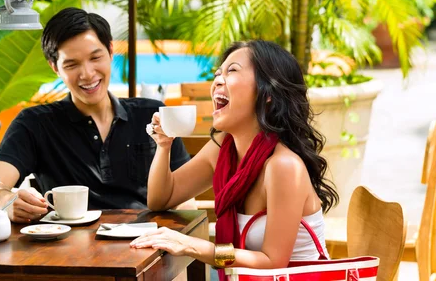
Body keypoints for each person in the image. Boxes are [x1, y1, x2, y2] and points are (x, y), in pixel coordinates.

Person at [130, 40, 338, 275]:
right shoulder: (221, 150)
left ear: (267, 93)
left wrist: (191, 245)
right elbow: (160, 199)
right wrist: (164, 145)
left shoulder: (283, 166)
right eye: (218, 73)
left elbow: (273, 262)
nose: (217, 80)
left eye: (232, 71)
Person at [0, 8, 192, 223]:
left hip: (147, 244)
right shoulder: (35, 124)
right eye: (72, 64)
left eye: (95, 57)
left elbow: (184, 198)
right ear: (55, 68)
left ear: (110, 51)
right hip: (70, 251)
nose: (87, 74)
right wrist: (6, 201)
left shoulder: (151, 114)